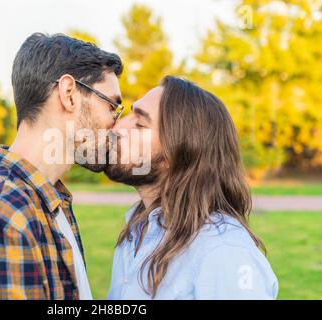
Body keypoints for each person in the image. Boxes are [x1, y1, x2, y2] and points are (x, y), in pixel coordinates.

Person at [0, 33, 124, 300]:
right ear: (69, 95)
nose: (117, 124)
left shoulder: (47, 200)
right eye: (112, 106)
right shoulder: (7, 214)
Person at [105, 76, 278, 299]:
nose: (118, 127)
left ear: (180, 151)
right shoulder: (137, 228)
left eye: (139, 124)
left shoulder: (223, 252)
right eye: (129, 115)